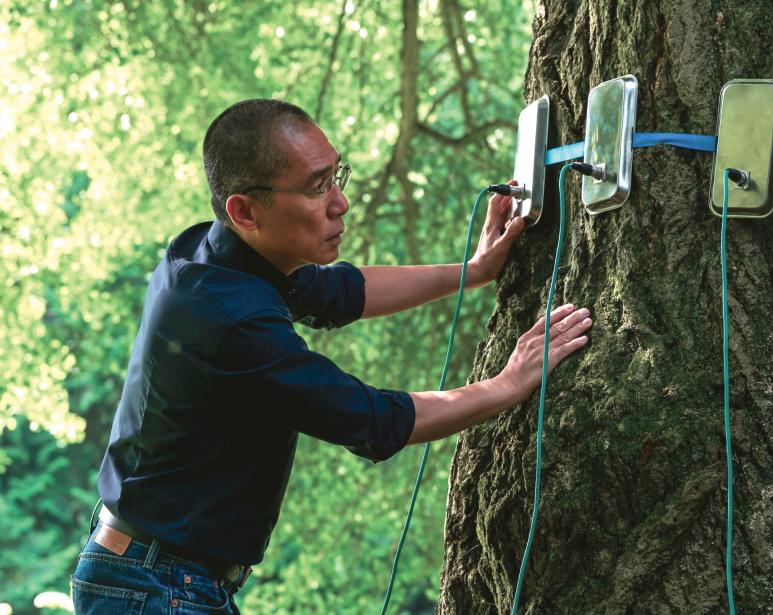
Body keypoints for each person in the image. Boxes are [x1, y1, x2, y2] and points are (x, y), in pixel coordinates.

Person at [69, 99, 592, 613]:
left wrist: (472, 272)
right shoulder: (229, 320)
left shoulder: (218, 255)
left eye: (336, 175)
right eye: (317, 187)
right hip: (154, 586)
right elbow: (372, 418)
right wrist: (508, 384)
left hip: (156, 575)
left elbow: (342, 292)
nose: (340, 203)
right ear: (244, 210)